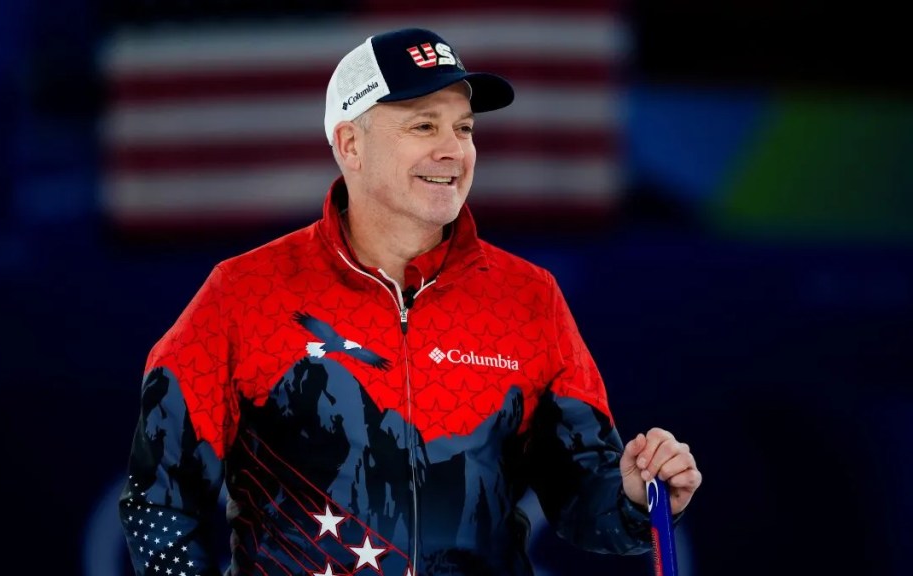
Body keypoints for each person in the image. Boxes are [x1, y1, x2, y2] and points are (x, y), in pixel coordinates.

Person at [118, 27, 701, 576]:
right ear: (350, 144)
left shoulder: (528, 297)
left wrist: (634, 498)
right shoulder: (243, 292)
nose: (454, 151)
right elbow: (160, 496)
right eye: (424, 126)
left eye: (464, 129)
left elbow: (581, 493)